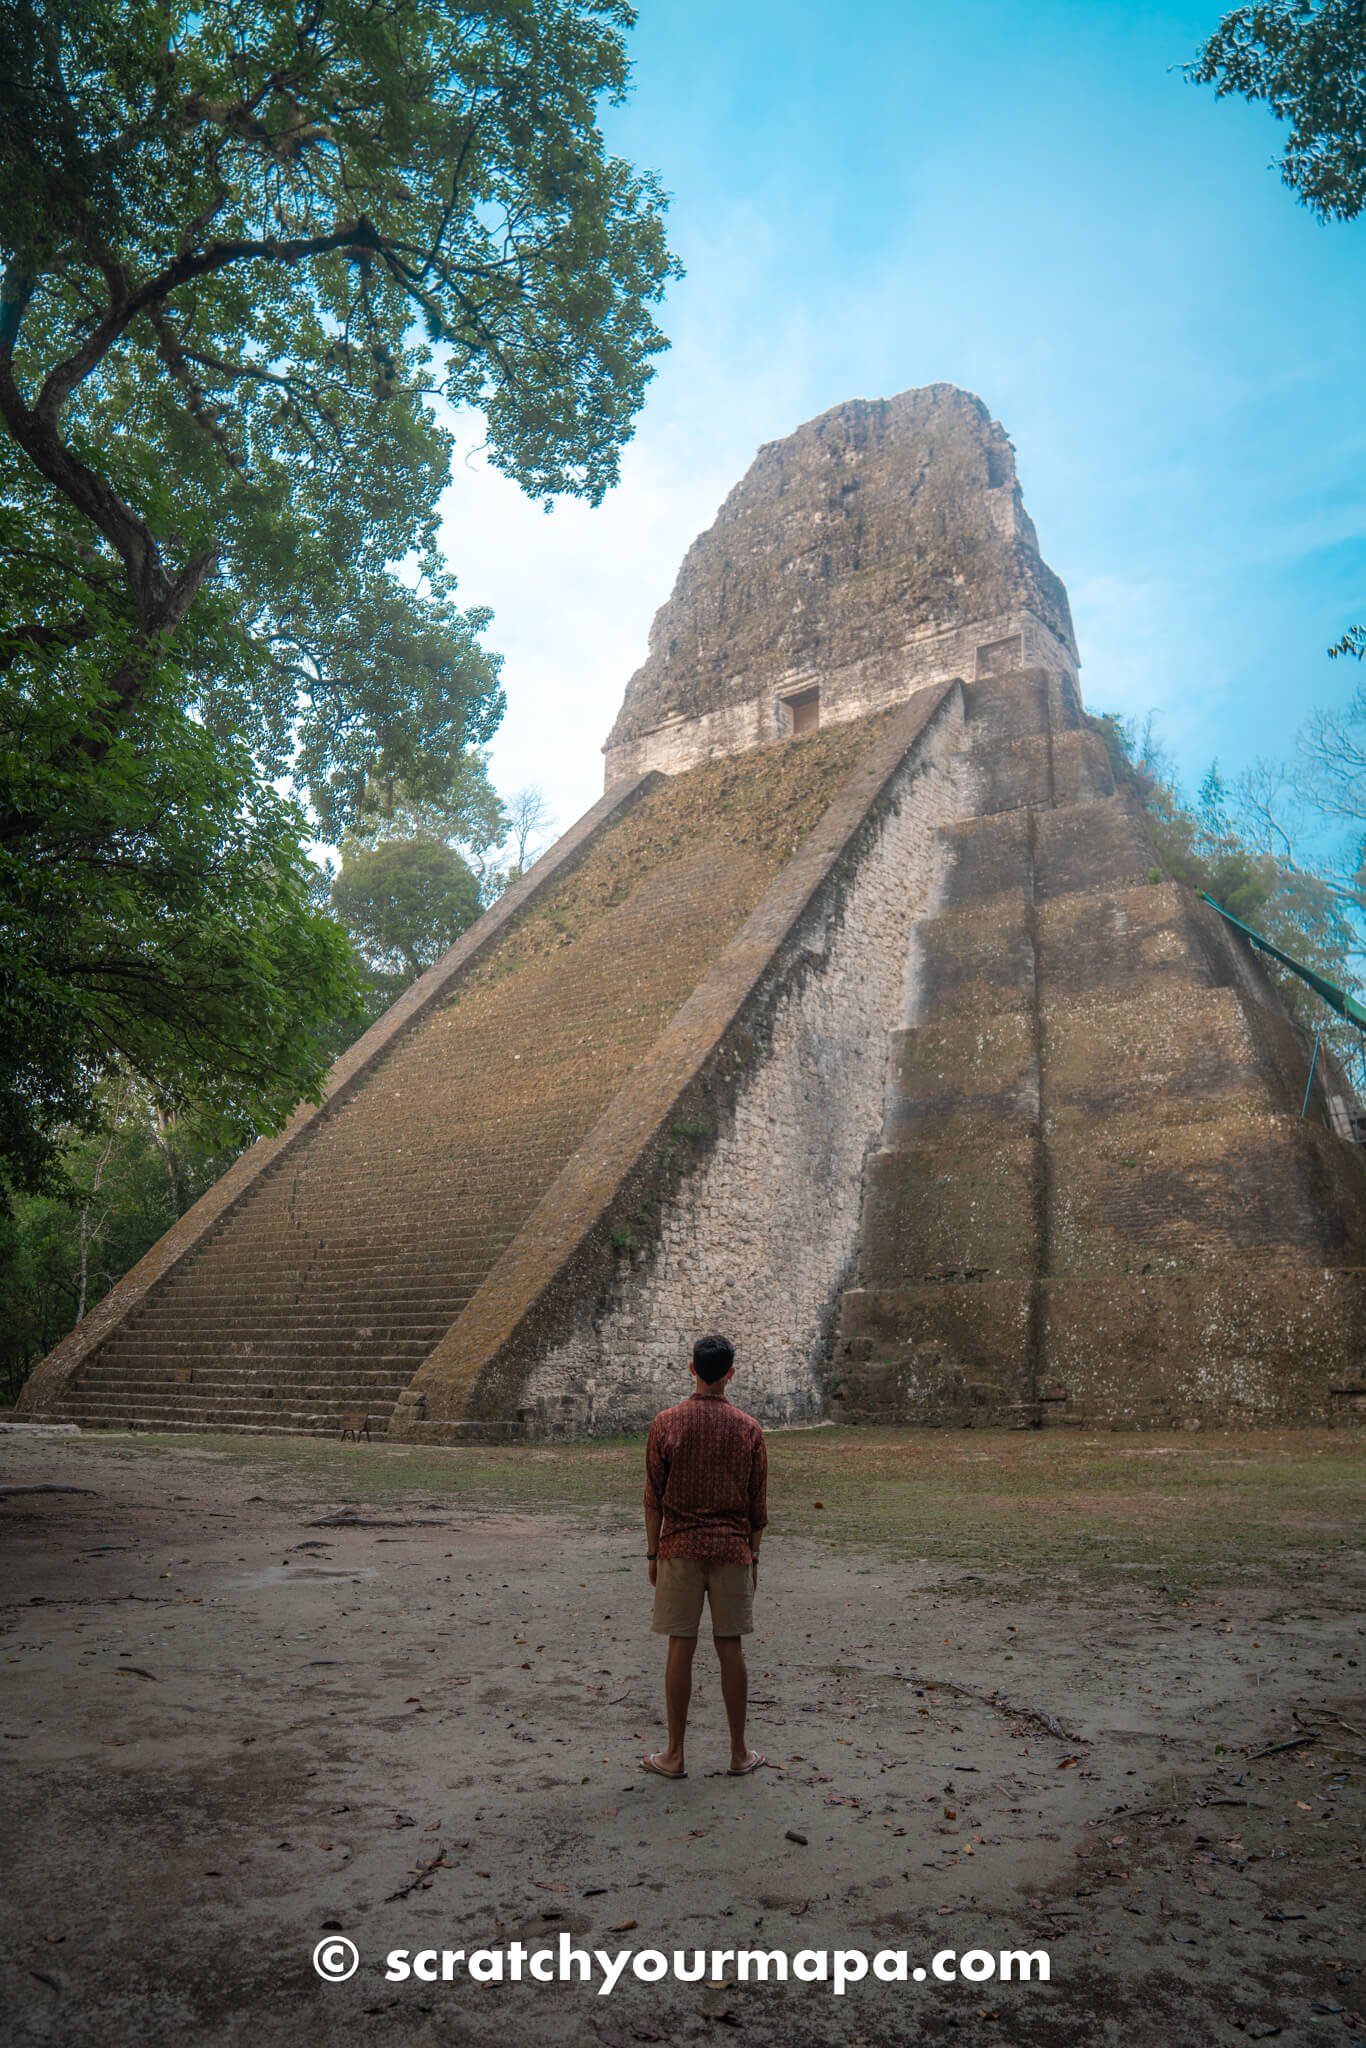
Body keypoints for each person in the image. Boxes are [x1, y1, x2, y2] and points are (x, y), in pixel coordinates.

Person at [640, 1333, 767, 1779]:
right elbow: (757, 1506)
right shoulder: (749, 1428)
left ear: (691, 1368)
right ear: (730, 1373)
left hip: (679, 1547)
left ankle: (674, 1754)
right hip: (732, 1549)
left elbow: (653, 1497)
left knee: (681, 1645)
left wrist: (653, 1553)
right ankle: (737, 1752)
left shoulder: (667, 1423)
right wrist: (754, 1556)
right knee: (729, 1646)